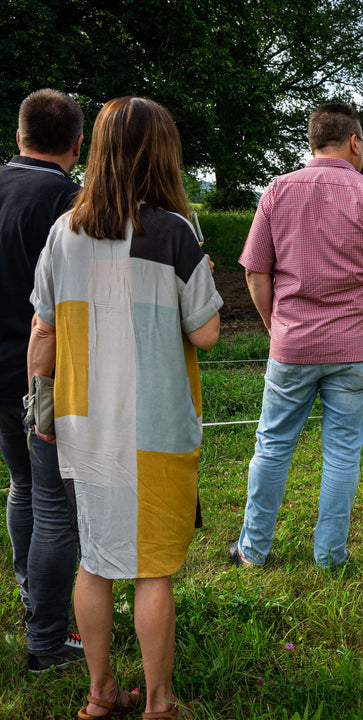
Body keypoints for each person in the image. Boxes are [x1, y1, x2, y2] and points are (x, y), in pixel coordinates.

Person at [27, 96, 222, 720]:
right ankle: (160, 702)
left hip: (85, 423)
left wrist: (41, 410)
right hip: (156, 426)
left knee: (96, 559)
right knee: (153, 570)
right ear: (161, 154)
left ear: (102, 151)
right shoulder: (173, 233)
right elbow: (206, 333)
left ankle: (99, 692)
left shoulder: (65, 232)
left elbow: (44, 332)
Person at [230, 102, 363, 569]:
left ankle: (253, 550)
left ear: (313, 143)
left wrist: (276, 327)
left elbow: (255, 272)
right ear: (354, 142)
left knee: (271, 445)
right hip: (353, 349)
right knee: (342, 452)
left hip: (291, 345)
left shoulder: (276, 191)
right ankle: (330, 556)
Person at [0, 89, 85, 673]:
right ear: (77, 146)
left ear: (18, 136)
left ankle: (35, 598)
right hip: (41, 371)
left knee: (22, 484)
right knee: (56, 502)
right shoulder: (69, 202)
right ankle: (50, 637)